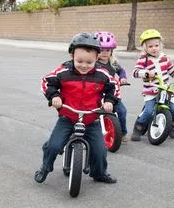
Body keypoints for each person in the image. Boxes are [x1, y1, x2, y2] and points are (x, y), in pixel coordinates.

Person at [34, 33, 118, 184]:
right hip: (68, 117)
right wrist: (54, 96)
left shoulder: (102, 74)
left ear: (97, 58)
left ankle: (99, 173)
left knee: (100, 150)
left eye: (89, 62)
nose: (84, 65)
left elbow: (114, 87)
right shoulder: (63, 72)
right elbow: (47, 82)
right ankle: (45, 167)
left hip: (91, 119)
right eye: (79, 61)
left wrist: (109, 101)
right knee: (53, 146)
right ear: (72, 55)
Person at [131, 29, 174, 141]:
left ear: (161, 45)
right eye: (150, 46)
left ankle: (171, 125)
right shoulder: (143, 60)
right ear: (145, 48)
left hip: (166, 90)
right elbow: (135, 72)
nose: (154, 48)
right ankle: (138, 127)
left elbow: (173, 70)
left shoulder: (164, 58)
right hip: (151, 90)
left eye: (156, 45)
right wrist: (146, 73)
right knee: (148, 110)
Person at [94, 31, 130, 142]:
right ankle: (90, 133)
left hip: (112, 94)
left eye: (108, 50)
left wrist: (122, 78)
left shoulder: (113, 63)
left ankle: (122, 132)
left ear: (112, 51)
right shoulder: (92, 64)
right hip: (97, 94)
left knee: (122, 111)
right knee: (93, 114)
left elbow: (121, 71)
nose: (105, 53)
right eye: (101, 50)